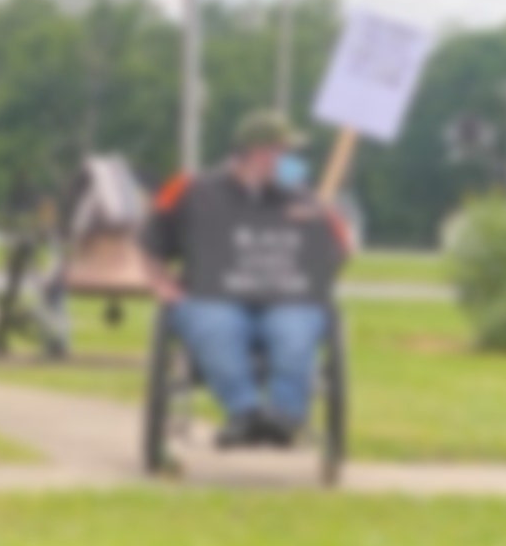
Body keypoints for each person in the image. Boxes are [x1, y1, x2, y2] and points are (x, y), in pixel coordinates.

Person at [143, 110, 351, 448]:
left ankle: (284, 418)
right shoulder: (192, 190)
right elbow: (149, 241)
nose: (289, 160)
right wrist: (161, 284)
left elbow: (337, 254)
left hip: (287, 300)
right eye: (284, 151)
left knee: (294, 331)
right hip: (212, 297)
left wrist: (322, 229)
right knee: (216, 327)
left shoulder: (303, 197)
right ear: (258, 152)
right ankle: (246, 414)